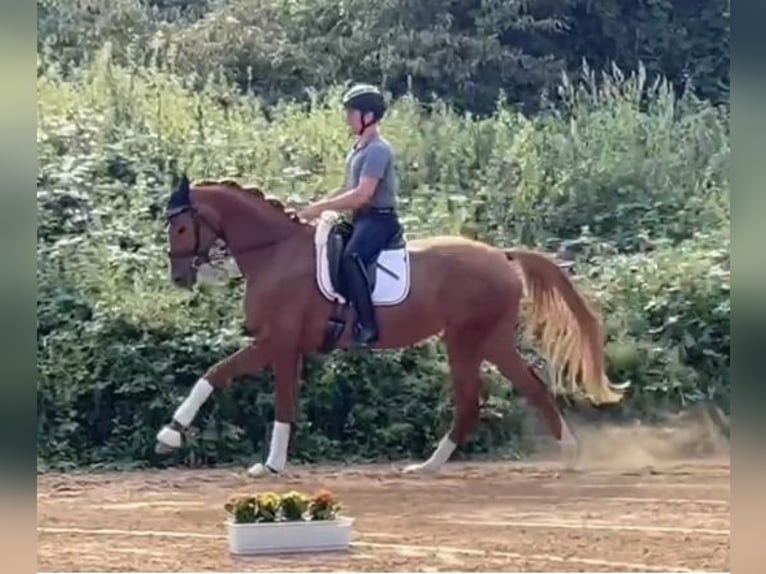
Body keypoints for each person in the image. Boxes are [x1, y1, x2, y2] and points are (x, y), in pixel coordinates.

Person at [297, 83, 403, 348]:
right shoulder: (359, 148)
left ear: (367, 116)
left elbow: (362, 195)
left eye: (351, 112)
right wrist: (316, 206)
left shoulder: (378, 150)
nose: (347, 118)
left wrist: (320, 209)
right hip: (360, 218)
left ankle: (368, 326)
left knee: (352, 256)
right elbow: (348, 189)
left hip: (379, 219)